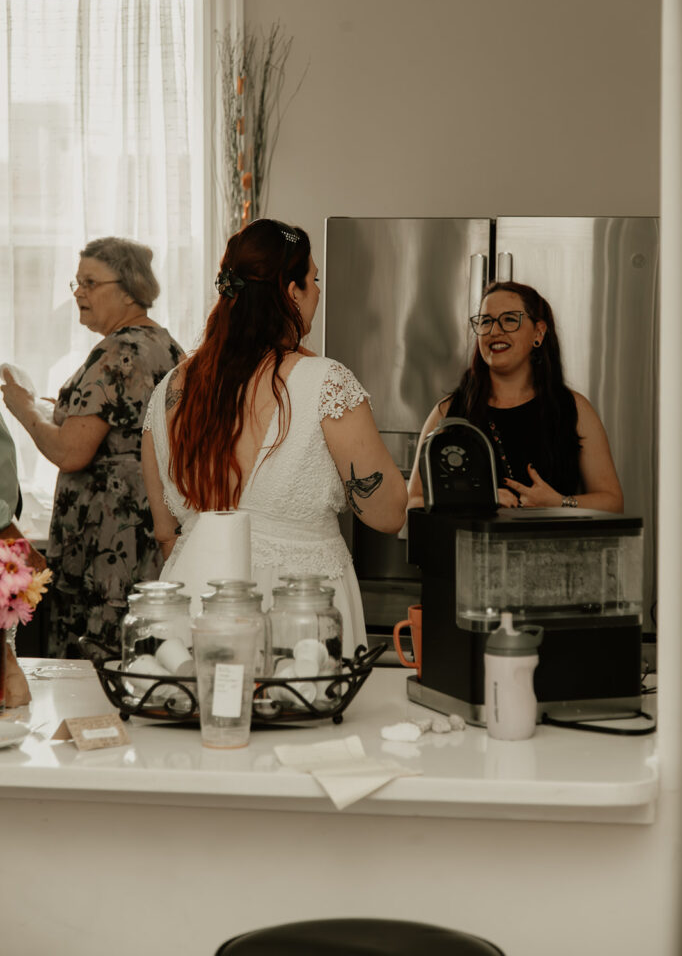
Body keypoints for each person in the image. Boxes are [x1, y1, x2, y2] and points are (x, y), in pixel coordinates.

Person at [142, 218, 407, 656]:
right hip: (300, 612)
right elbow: (387, 513)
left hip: (195, 603)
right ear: (290, 291)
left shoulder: (170, 388)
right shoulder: (324, 383)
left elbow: (166, 531)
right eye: (313, 279)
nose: (318, 292)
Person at [1, 237, 184, 656]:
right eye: (76, 282)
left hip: (109, 543)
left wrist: (23, 407)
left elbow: (71, 452)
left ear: (128, 287)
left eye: (90, 281)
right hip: (151, 529)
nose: (79, 292)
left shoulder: (117, 351)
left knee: (97, 661)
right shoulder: (167, 346)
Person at [407, 280, 624, 512]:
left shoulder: (575, 409)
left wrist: (559, 502)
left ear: (538, 333)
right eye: (486, 321)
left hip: (557, 548)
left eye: (510, 320)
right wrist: (480, 498)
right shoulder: (448, 411)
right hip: (469, 549)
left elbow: (612, 502)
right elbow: (412, 502)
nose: (494, 331)